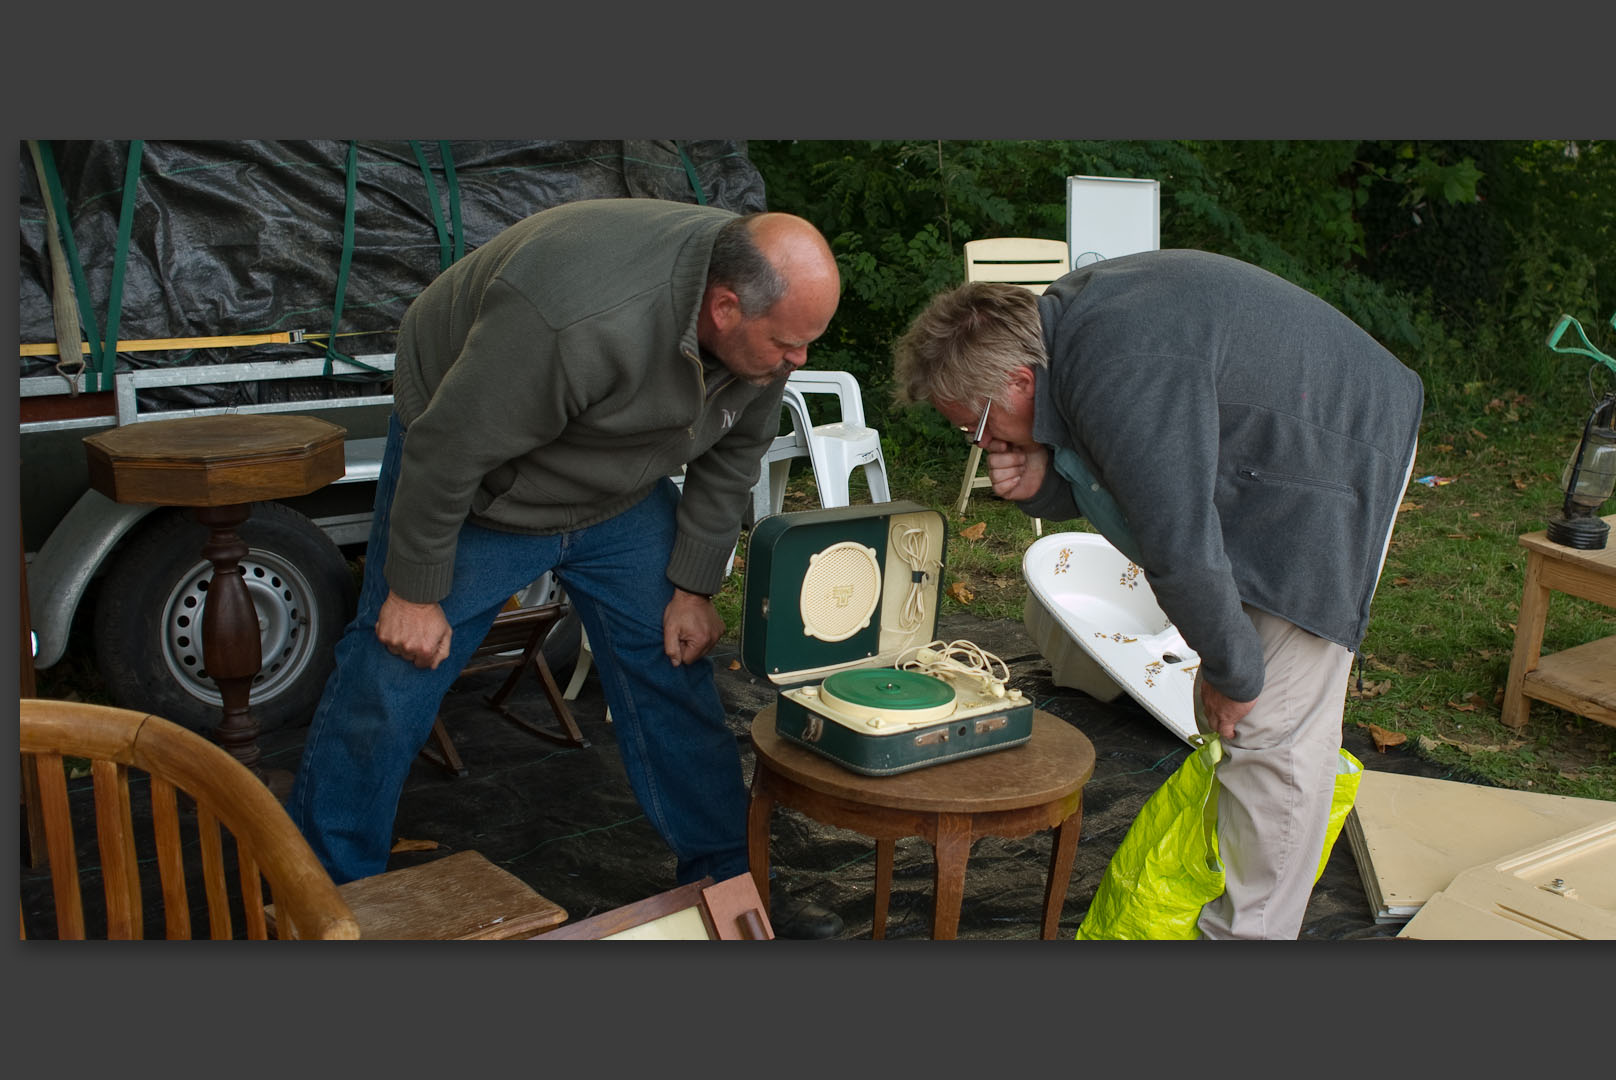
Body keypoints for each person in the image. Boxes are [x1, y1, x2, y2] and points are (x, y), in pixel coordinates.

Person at [288, 197, 848, 938]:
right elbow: (445, 451)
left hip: (617, 488)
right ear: (722, 309)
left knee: (673, 659)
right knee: (392, 672)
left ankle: (726, 884)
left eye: (806, 344)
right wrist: (415, 592)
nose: (798, 361)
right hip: (486, 480)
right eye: (788, 345)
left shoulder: (766, 320)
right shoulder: (572, 320)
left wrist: (692, 587)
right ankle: (325, 897)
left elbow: (732, 458)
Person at [892, 249, 1423, 940]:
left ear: (1018, 379)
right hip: (1271, 446)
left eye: (975, 425)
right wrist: (1047, 481)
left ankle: (1252, 936)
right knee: (1246, 692)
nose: (978, 442)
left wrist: (1234, 672)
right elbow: (1117, 473)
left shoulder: (1119, 367)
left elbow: (1178, 538)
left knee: (1272, 728)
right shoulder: (1064, 338)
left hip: (1334, 453)